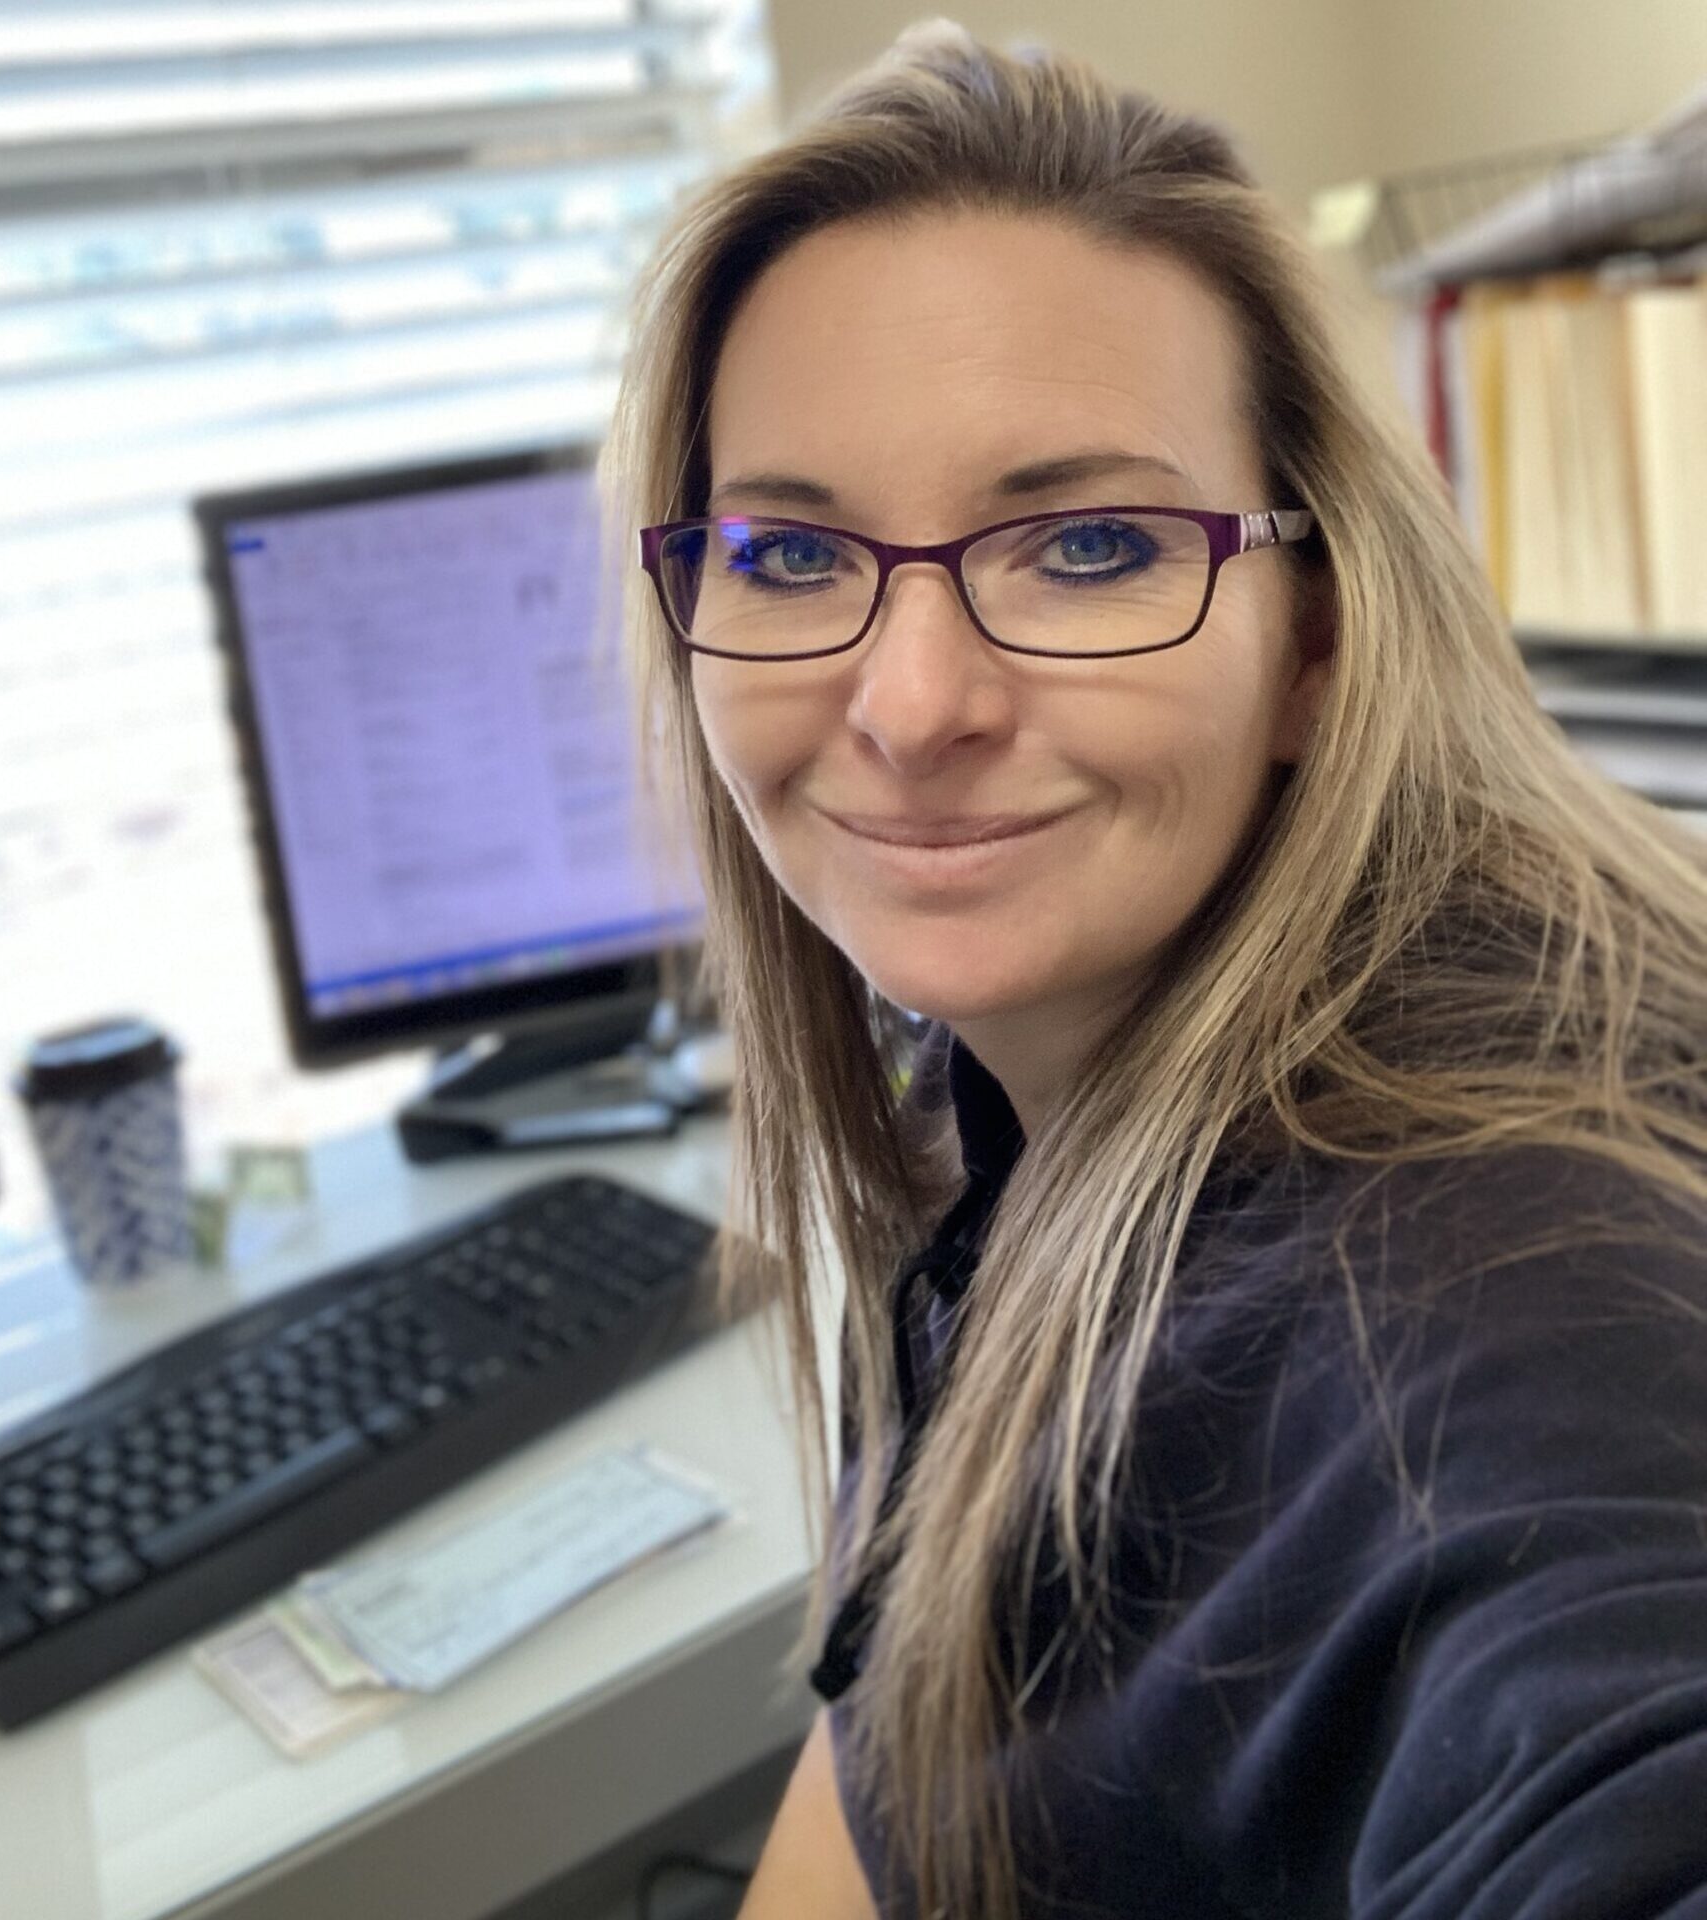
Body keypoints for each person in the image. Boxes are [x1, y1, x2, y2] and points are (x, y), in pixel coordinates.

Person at [603, 21, 1707, 1919]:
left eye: (1091, 544)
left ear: (1317, 644)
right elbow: (882, 1752)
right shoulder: (1018, 1062)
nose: (914, 706)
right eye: (789, 553)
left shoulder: (1482, 1290)